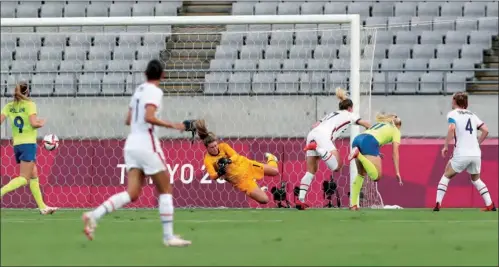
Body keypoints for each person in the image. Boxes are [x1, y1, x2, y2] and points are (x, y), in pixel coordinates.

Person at [82, 59, 197, 247]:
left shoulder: (139, 91)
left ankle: (94, 215)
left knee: (133, 193)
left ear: (145, 74)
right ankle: (168, 237)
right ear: (162, 75)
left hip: (131, 144)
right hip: (146, 143)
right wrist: (173, 125)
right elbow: (148, 116)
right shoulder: (155, 91)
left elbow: (128, 119)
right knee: (165, 188)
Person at [296, 88, 371, 210]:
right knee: (338, 166)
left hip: (312, 134)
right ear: (350, 108)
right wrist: (372, 135)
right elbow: (366, 124)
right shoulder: (351, 115)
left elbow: (315, 124)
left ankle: (301, 200)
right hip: (323, 137)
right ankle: (318, 149)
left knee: (311, 170)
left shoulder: (331, 114)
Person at [0, 82, 58, 215]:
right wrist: (40, 123)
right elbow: (33, 123)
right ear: (27, 92)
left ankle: (43, 207)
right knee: (24, 178)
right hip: (28, 144)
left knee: (34, 175)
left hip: (17, 145)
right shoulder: (30, 105)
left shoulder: (9, 106)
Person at [434, 92, 495, 212]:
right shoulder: (472, 114)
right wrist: (477, 143)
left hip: (462, 152)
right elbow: (486, 130)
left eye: (453, 99)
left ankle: (437, 203)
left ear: (455, 101)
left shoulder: (452, 114)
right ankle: (490, 204)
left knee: (446, 175)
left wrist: (445, 146)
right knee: (476, 179)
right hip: (476, 153)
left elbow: (451, 128)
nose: (451, 102)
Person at [196, 120, 279, 204]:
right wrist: (219, 173)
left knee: (275, 171)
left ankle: (271, 158)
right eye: (212, 147)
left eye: (215, 145)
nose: (215, 148)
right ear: (207, 148)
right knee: (265, 200)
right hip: (241, 181)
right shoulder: (208, 160)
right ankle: (256, 187)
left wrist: (229, 160)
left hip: (246, 165)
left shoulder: (223, 146)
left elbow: (235, 155)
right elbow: (213, 176)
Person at [348, 112, 404, 210]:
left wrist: (375, 152)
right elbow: (395, 153)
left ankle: (353, 205)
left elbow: (372, 135)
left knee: (361, 174)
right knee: (376, 176)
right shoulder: (396, 131)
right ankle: (358, 155)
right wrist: (397, 172)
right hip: (369, 141)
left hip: (358, 139)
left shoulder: (381, 124)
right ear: (398, 125)